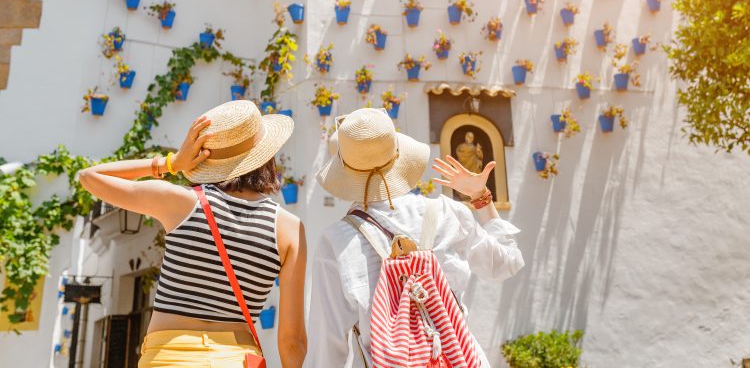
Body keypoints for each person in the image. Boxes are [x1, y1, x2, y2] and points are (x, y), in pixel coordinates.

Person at [78, 100, 307, 368]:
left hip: (168, 358)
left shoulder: (181, 202)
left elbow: (90, 177)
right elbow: (292, 341)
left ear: (208, 158)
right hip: (238, 360)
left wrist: (170, 162)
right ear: (266, 156)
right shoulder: (289, 228)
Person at [304, 108, 524, 367]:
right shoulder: (447, 213)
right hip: (458, 359)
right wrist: (481, 197)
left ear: (345, 169)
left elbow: (328, 346)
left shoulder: (336, 241)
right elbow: (506, 263)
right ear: (398, 156)